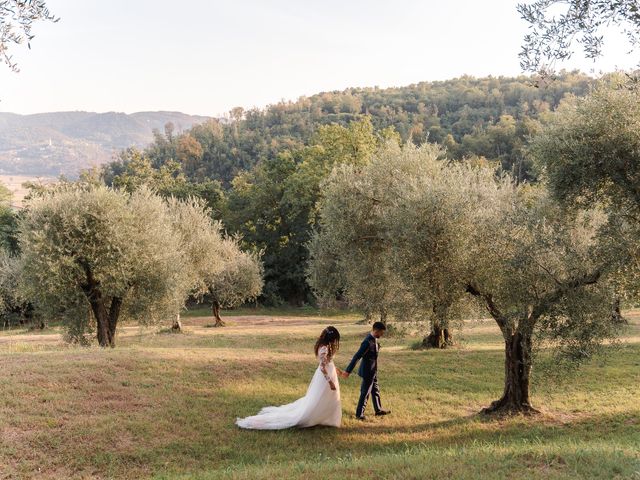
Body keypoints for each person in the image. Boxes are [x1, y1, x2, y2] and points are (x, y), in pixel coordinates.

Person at [236, 326, 343, 429]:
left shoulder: (325, 346)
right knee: (321, 397)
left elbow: (328, 363)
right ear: (331, 339)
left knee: (327, 398)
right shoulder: (324, 348)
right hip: (325, 379)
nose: (335, 342)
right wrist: (330, 382)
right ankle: (318, 417)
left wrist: (336, 370)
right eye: (335, 340)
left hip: (329, 375)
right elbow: (322, 367)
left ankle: (326, 417)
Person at [341, 321, 391, 420]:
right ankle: (359, 414)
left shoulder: (375, 339)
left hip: (373, 371)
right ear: (376, 330)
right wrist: (348, 371)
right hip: (368, 372)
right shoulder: (367, 342)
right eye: (381, 332)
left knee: (375, 390)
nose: (382, 334)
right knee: (365, 393)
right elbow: (357, 356)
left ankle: (378, 410)